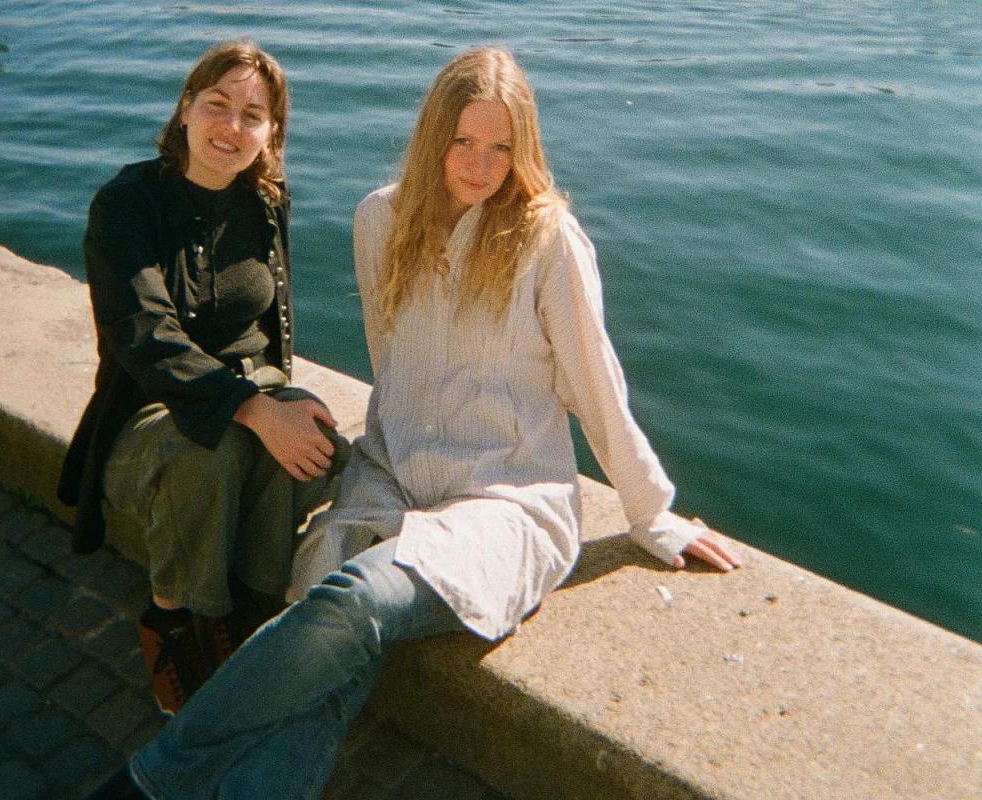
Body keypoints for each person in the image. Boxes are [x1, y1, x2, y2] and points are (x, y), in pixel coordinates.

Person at [85, 46, 740, 800]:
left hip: (506, 499)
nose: (480, 166)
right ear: (434, 136)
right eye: (463, 141)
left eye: (501, 148)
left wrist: (651, 512)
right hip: (390, 477)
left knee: (352, 601)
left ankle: (152, 779)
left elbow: (598, 388)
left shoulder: (548, 241)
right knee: (321, 671)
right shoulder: (381, 218)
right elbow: (391, 363)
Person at [56, 40, 349, 716]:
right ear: (186, 107)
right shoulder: (126, 204)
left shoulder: (265, 200)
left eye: (253, 115)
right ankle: (172, 619)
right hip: (148, 411)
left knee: (316, 443)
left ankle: (247, 605)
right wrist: (253, 410)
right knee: (207, 452)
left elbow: (272, 330)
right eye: (217, 104)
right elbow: (145, 334)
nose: (232, 127)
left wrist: (281, 405)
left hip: (249, 391)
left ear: (272, 132)